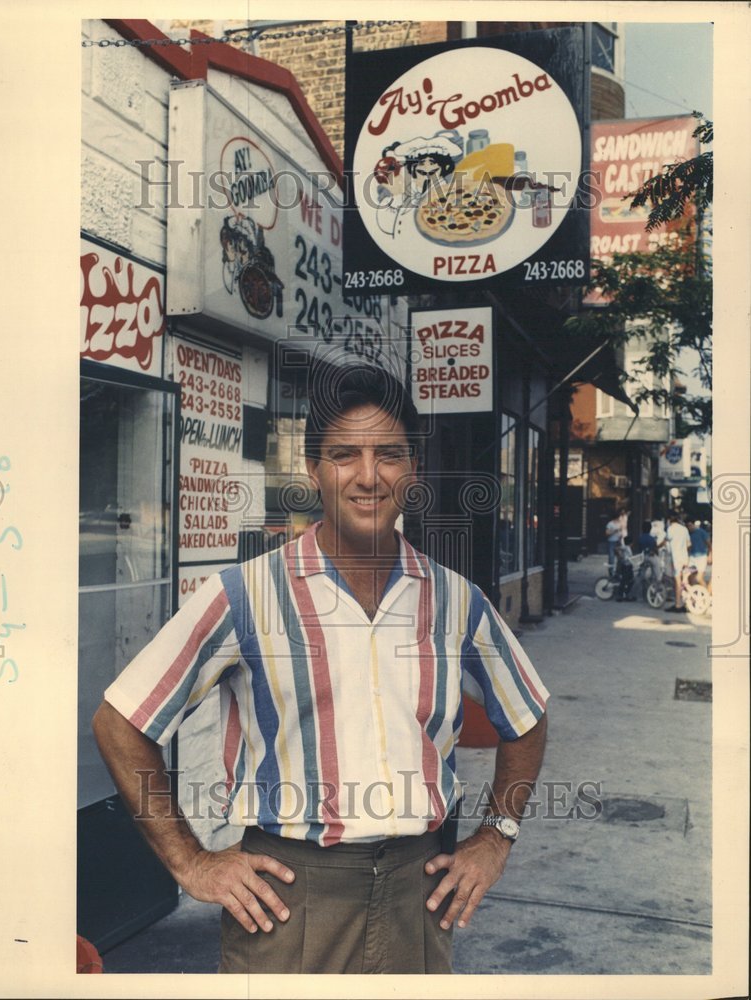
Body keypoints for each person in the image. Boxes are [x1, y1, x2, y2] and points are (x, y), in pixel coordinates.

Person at [92, 365, 549, 975]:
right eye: (343, 455)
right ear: (313, 471)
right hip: (287, 902)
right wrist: (191, 862)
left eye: (388, 454)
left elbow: (528, 715)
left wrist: (496, 837)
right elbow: (121, 722)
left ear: (411, 469)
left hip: (419, 894)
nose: (367, 476)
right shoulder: (245, 594)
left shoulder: (455, 600)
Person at [665, 509, 691, 612]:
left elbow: (666, 541)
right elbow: (689, 544)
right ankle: (687, 602)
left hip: (676, 559)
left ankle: (678, 604)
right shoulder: (684, 529)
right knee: (685, 580)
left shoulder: (670, 529)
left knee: (677, 581)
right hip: (685, 557)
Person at [685, 516, 712, 594]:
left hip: (701, 558)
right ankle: (693, 596)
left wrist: (710, 555)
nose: (689, 528)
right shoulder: (688, 534)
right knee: (690, 577)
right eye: (687, 526)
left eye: (690, 525)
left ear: (693, 524)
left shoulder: (701, 532)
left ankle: (707, 595)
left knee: (699, 578)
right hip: (692, 559)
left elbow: (709, 544)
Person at [614, 535, 636, 602]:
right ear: (631, 543)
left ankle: (626, 594)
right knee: (624, 581)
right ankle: (620, 596)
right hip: (626, 566)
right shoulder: (626, 547)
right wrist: (620, 556)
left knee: (630, 580)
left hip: (629, 566)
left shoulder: (628, 548)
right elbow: (616, 548)